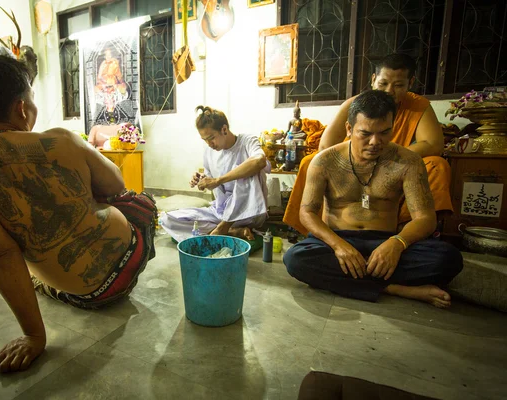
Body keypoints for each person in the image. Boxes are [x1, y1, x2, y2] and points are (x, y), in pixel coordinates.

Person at [0, 54, 157, 373]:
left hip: (93, 294)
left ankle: (43, 281)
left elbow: (0, 256)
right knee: (136, 199)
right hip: (135, 252)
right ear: (22, 108)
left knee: (24, 256)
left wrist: (33, 336)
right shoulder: (62, 139)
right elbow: (116, 183)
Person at [283, 90, 462, 308]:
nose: (375, 142)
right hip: (337, 238)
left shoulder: (408, 162)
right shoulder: (324, 162)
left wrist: (397, 244)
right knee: (296, 259)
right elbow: (307, 213)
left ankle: (355, 281)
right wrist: (339, 246)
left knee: (448, 259)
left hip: (385, 240)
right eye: (365, 133)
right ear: (349, 129)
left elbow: (425, 218)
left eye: (384, 133)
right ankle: (397, 289)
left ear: (392, 128)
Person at [284, 53, 452, 235]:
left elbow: (433, 144)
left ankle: (408, 230)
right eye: (383, 84)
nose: (389, 91)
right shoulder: (356, 105)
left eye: (398, 85)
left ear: (410, 83)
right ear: (373, 80)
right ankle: (314, 231)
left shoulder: (418, 105)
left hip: (396, 164)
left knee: (437, 165)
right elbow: (325, 146)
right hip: (351, 162)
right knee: (310, 162)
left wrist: (391, 158)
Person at [161, 106, 270, 242]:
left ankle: (225, 226)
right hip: (222, 211)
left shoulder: (247, 141)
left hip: (249, 212)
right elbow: (212, 183)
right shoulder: (209, 152)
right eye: (205, 140)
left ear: (224, 129)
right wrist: (202, 180)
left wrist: (218, 180)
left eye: (211, 138)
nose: (209, 144)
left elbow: (260, 161)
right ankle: (231, 231)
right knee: (167, 220)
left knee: (249, 172)